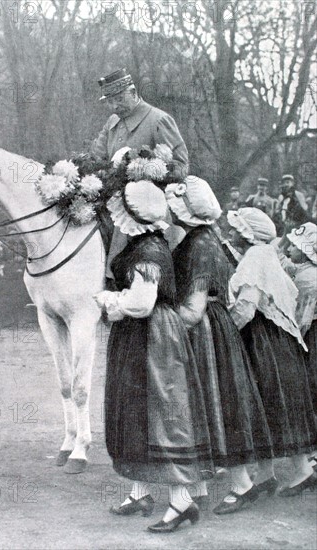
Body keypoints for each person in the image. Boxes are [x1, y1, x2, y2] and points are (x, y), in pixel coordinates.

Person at [94, 180, 214, 533]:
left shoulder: (149, 250)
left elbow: (141, 303)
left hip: (152, 337)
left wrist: (109, 302)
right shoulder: (144, 243)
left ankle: (181, 502)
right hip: (140, 337)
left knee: (162, 410)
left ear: (132, 216)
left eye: (120, 213)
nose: (116, 220)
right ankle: (141, 491)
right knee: (136, 409)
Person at [165, 177, 272, 515]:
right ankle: (200, 485)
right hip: (215, 327)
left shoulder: (199, 247)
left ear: (186, 211)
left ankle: (243, 486)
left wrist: (160, 319)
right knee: (210, 405)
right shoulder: (205, 238)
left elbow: (193, 310)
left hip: (206, 332)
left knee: (217, 403)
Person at [227, 208, 317, 497]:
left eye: (235, 228)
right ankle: (267, 473)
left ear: (247, 233)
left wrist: (225, 333)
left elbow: (246, 305)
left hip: (265, 340)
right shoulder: (263, 254)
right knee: (270, 405)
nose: (230, 233)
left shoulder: (255, 257)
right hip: (273, 339)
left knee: (274, 403)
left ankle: (302, 472)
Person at [91, 68, 189, 285]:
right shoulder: (112, 122)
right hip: (111, 202)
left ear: (133, 92)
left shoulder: (159, 120)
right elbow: (96, 158)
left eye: (119, 99)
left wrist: (142, 168)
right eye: (109, 101)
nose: (114, 106)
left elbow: (181, 167)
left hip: (148, 213)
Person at [285, 222, 317, 415]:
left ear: (305, 252)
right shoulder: (305, 272)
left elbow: (302, 319)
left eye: (294, 246)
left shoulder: (308, 278)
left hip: (311, 334)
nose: (289, 249)